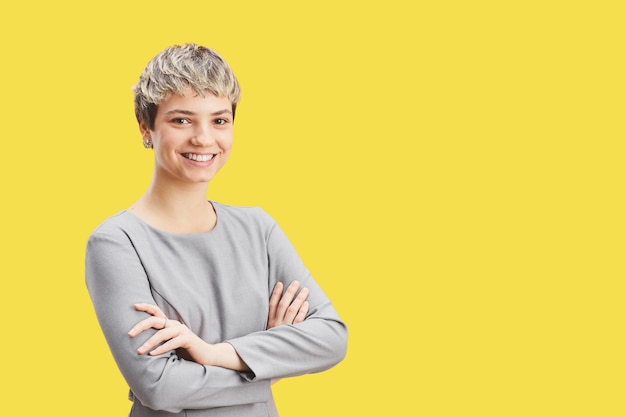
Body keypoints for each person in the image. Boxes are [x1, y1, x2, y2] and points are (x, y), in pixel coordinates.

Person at [85, 43, 348, 417]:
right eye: (181, 120)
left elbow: (332, 338)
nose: (204, 138)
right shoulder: (116, 243)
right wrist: (269, 363)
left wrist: (216, 354)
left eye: (219, 120)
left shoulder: (258, 227)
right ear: (146, 127)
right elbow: (160, 388)